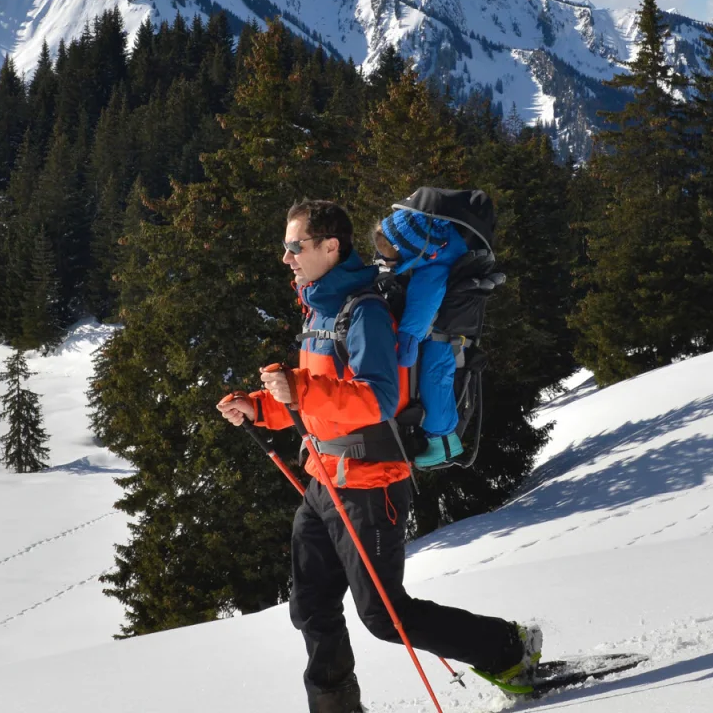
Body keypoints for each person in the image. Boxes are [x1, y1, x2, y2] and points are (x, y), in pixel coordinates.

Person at [216, 200, 539, 713]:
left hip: (371, 486)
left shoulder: (361, 311)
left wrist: (296, 387)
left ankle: (507, 648)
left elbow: (374, 400)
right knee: (312, 606)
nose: (286, 258)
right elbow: (318, 403)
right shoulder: (318, 307)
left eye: (294, 246)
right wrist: (259, 409)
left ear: (330, 247)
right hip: (323, 481)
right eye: (285, 247)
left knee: (385, 616)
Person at [371, 207, 468, 468]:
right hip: (442, 334)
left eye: (392, 257)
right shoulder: (439, 251)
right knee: (435, 381)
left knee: (434, 383)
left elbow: (420, 310)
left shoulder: (432, 270)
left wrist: (407, 343)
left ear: (409, 249)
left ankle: (444, 442)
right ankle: (440, 437)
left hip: (438, 339)